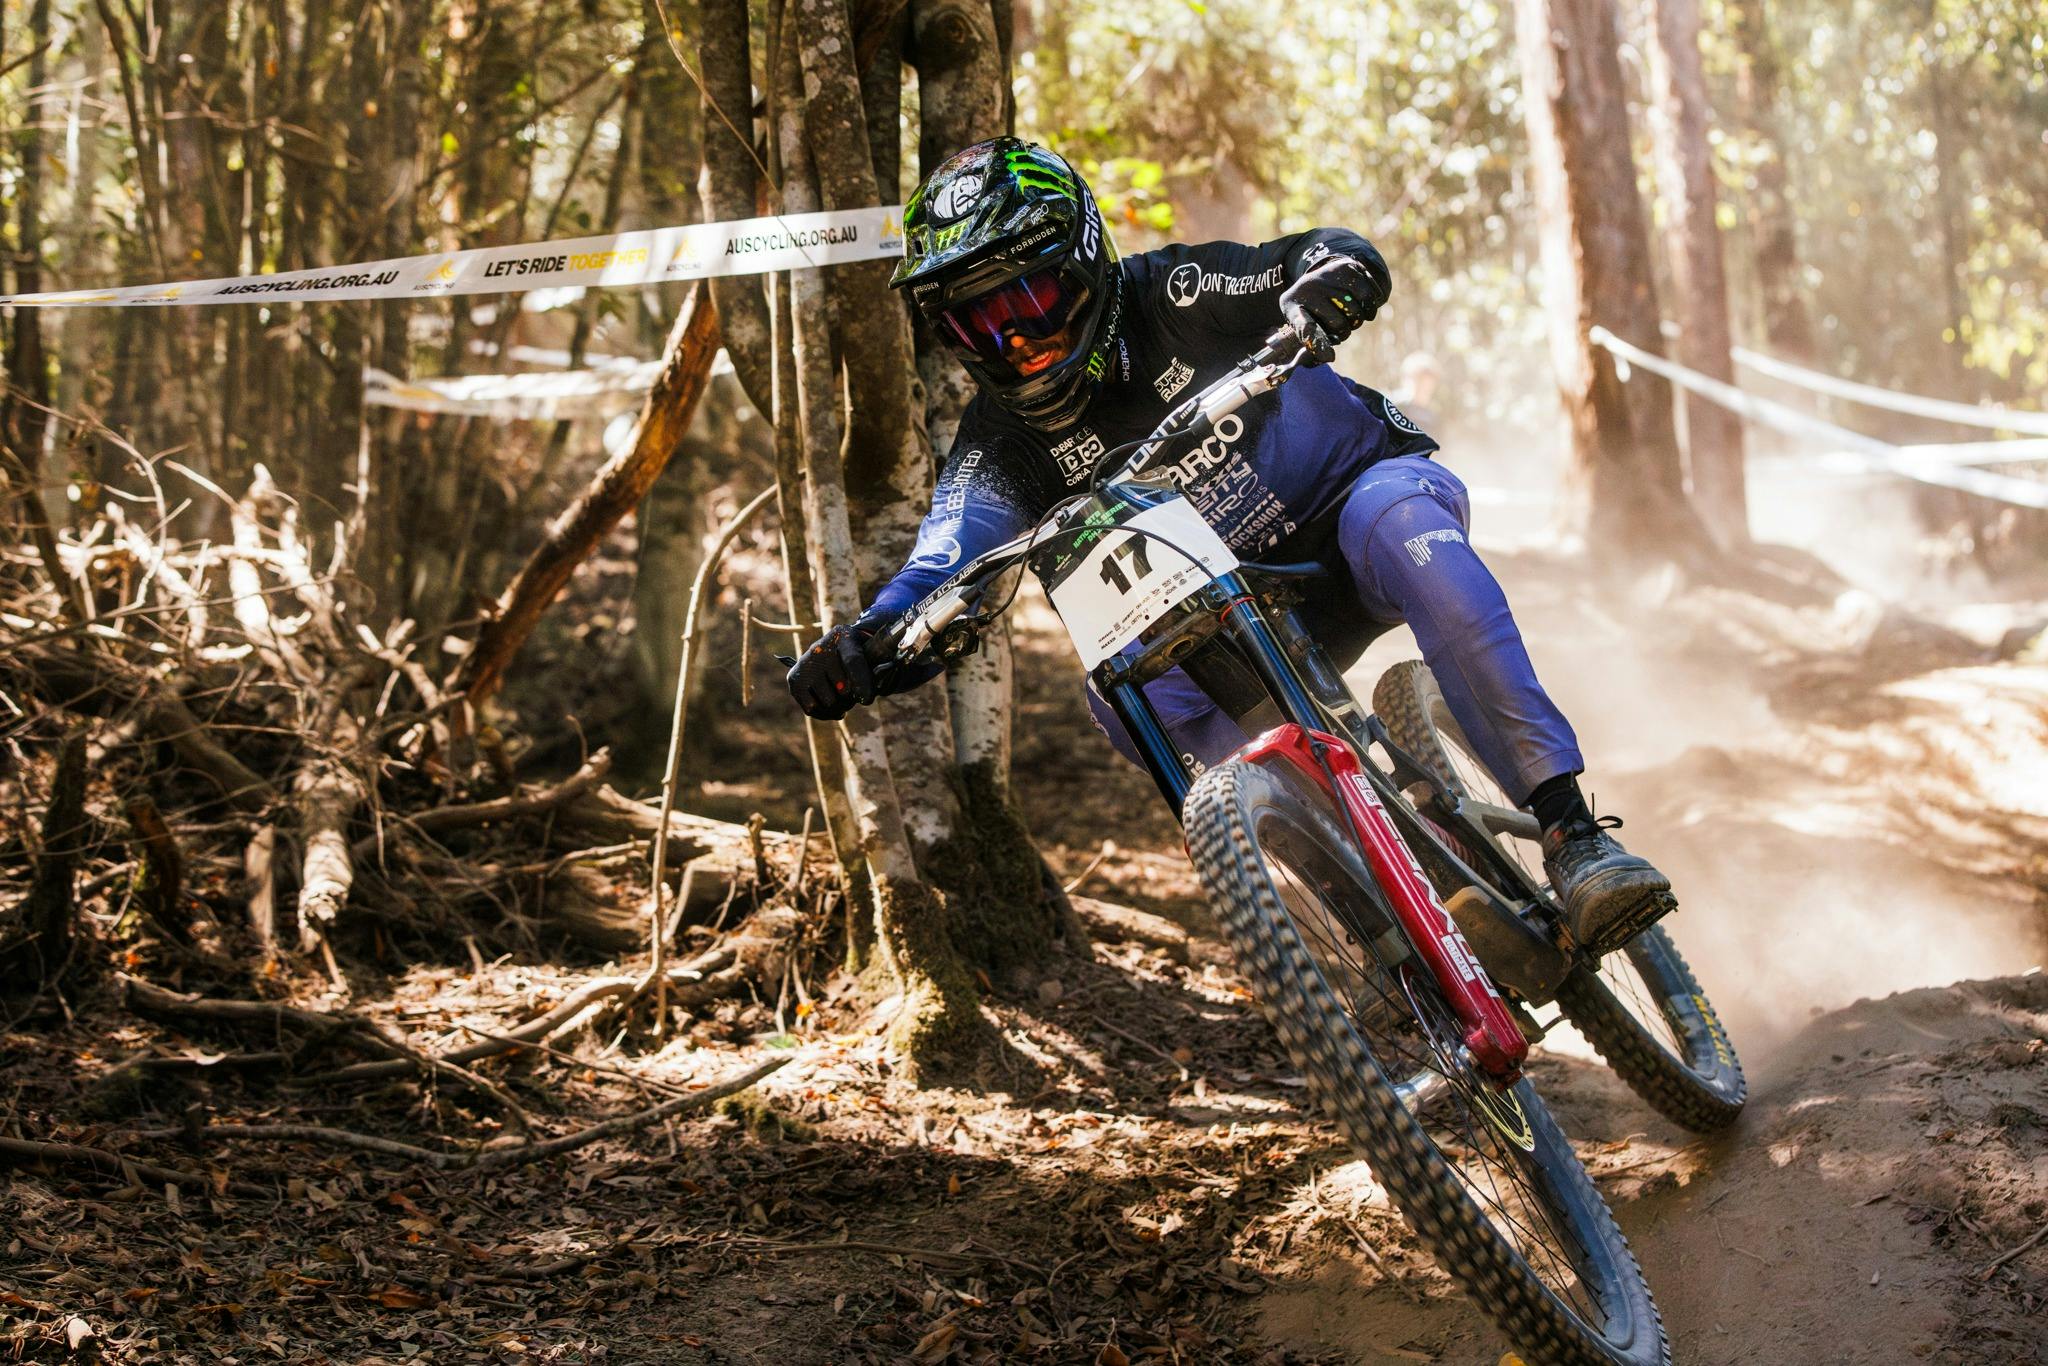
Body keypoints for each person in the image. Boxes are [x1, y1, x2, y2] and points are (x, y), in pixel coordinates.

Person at [785, 137, 1671, 954]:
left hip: (1353, 516)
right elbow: (943, 557)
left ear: (1085, 263)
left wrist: (1333, 277)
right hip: (1229, 626)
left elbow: (1306, 256)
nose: (1016, 342)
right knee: (1122, 693)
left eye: (1029, 301)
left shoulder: (1168, 295)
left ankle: (1572, 834)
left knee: (1408, 535)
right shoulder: (1000, 443)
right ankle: (1382, 933)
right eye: (981, 325)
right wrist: (872, 641)